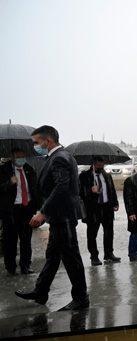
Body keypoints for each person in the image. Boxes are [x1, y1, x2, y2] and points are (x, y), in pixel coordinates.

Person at [15, 125, 89, 311]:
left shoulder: (60, 158)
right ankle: (41, 291)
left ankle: (81, 298)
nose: (34, 147)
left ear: (48, 141)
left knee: (71, 258)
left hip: (62, 215)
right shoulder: (58, 156)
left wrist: (42, 212)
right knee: (53, 257)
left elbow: (61, 187)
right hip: (59, 216)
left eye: (36, 143)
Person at [0, 148, 42, 275]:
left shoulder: (29, 169)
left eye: (23, 156)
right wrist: (9, 183)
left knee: (26, 238)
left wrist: (37, 206)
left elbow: (35, 189)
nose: (21, 159)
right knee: (10, 240)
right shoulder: (3, 170)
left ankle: (26, 265)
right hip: (11, 210)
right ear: (12, 157)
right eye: (18, 156)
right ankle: (11, 267)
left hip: (26, 208)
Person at [79, 156, 120, 265]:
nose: (100, 168)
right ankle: (94, 256)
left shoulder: (106, 175)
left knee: (109, 232)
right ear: (92, 164)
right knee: (92, 234)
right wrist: (90, 190)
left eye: (102, 166)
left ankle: (108, 253)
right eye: (98, 166)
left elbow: (112, 189)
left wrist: (115, 203)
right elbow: (80, 192)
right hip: (93, 209)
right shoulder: (84, 176)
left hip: (107, 207)